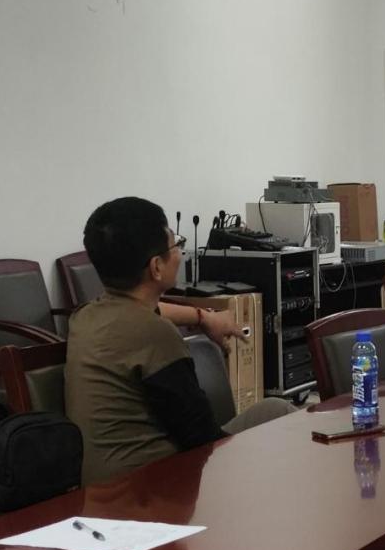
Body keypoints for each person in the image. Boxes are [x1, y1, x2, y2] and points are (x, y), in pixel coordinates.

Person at [66, 196, 291, 483]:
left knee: (273, 409)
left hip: (102, 485)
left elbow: (151, 310)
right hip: (157, 485)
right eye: (176, 245)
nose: (180, 254)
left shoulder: (84, 317)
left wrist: (203, 317)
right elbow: (202, 438)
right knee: (282, 423)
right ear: (156, 267)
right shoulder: (156, 334)